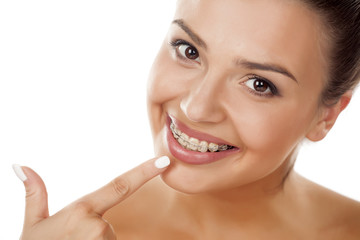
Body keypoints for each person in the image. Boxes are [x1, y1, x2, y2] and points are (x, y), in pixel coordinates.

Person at [13, 0, 360, 239]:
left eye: (259, 84)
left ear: (327, 116)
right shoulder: (86, 233)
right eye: (189, 51)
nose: (196, 108)